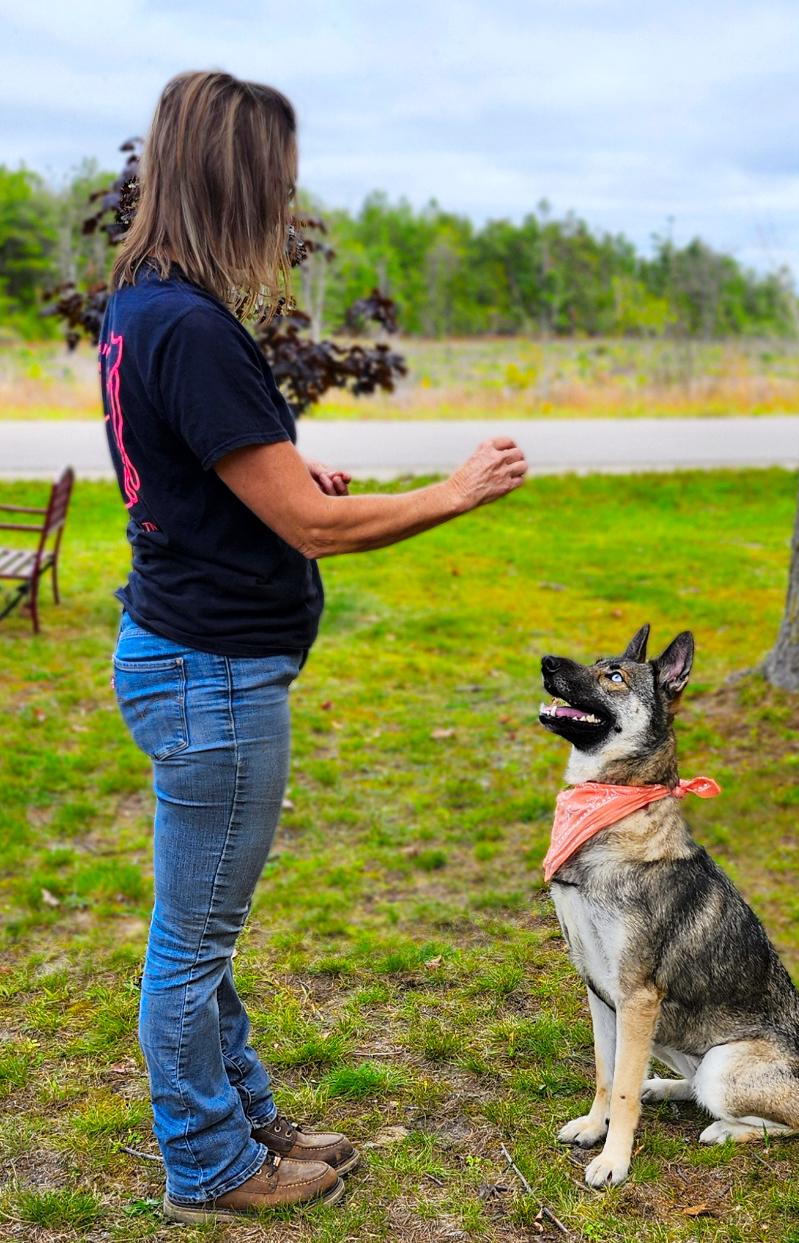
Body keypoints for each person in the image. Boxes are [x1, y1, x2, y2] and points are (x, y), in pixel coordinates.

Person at [101, 70, 527, 1224]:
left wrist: (283, 474)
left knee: (204, 932)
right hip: (212, 677)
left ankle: (241, 1117)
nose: (286, 207)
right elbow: (311, 526)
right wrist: (452, 493)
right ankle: (210, 1162)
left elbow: (211, 479)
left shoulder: (145, 303)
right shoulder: (188, 326)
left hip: (183, 653)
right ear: (232, 179)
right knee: (191, 947)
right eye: (274, 184)